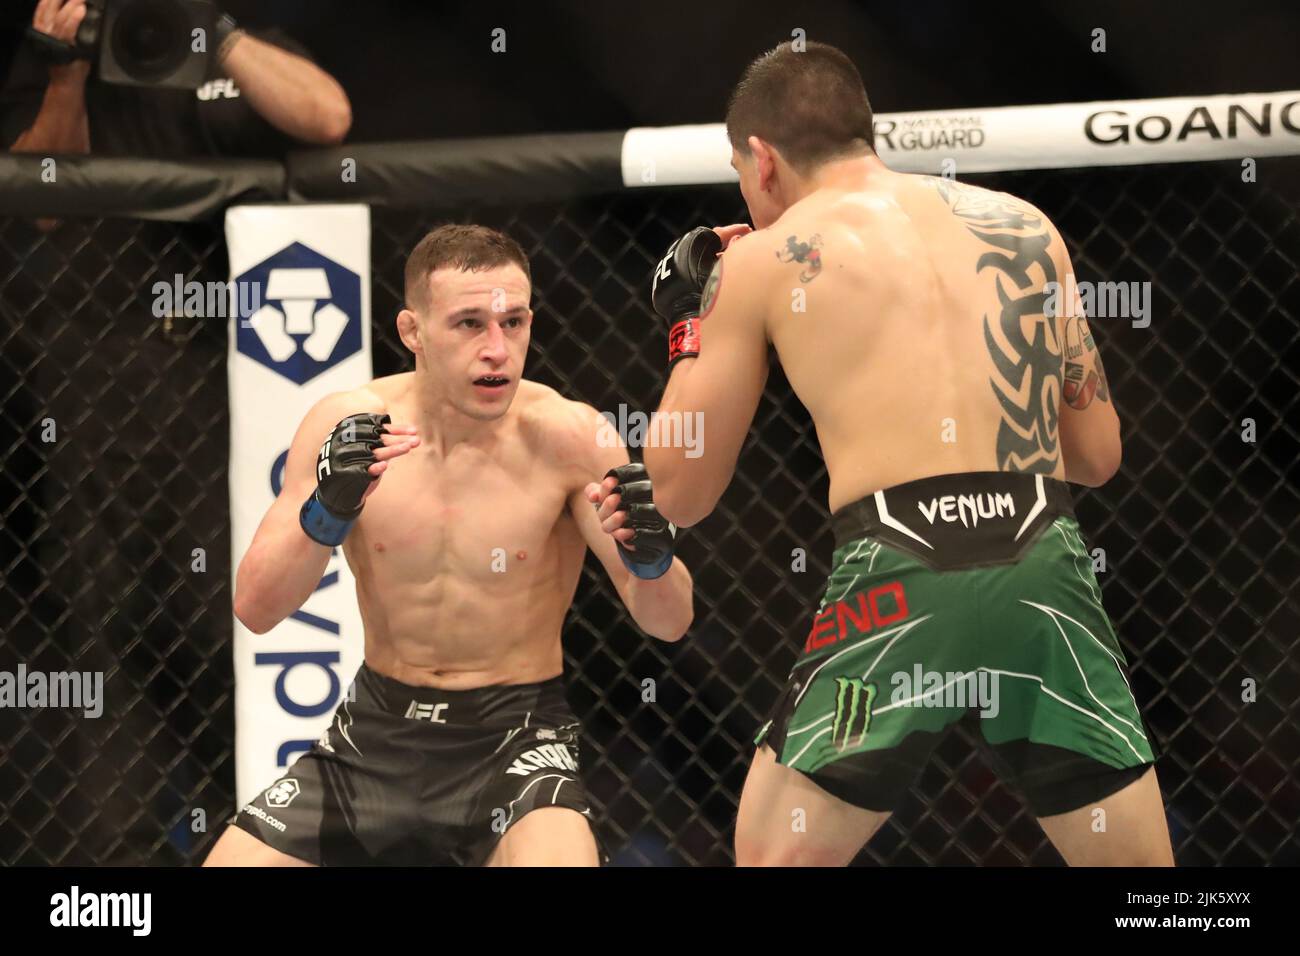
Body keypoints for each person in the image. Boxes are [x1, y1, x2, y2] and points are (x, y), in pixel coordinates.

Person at [643, 41, 1173, 866]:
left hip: (898, 566)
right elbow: (1099, 454)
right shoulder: (1026, 228)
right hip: (1043, 556)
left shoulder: (758, 261)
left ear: (762, 158)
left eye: (743, 173)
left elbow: (676, 491)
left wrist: (689, 320)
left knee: (768, 852)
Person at [204, 224, 693, 866]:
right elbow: (257, 607)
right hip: (374, 736)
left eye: (513, 323)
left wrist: (653, 557)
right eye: (469, 324)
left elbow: (670, 621)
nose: (498, 350)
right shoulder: (347, 424)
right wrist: (327, 510)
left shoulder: (570, 437)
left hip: (516, 738)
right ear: (412, 332)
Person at [3, 0, 351, 157]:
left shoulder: (243, 44)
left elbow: (329, 119)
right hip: (110, 289)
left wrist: (209, 31)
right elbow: (45, 207)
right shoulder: (63, 58)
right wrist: (66, 78)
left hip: (235, 290)